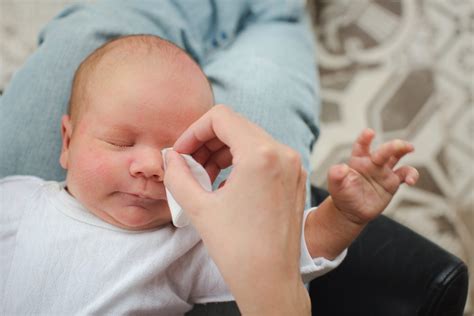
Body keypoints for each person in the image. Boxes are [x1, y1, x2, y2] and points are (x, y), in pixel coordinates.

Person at [0, 34, 418, 315]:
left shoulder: (182, 245)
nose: (149, 166)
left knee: (269, 58)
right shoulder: (19, 200)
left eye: (174, 151)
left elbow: (282, 252)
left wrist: (342, 216)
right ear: (67, 142)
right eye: (121, 143)